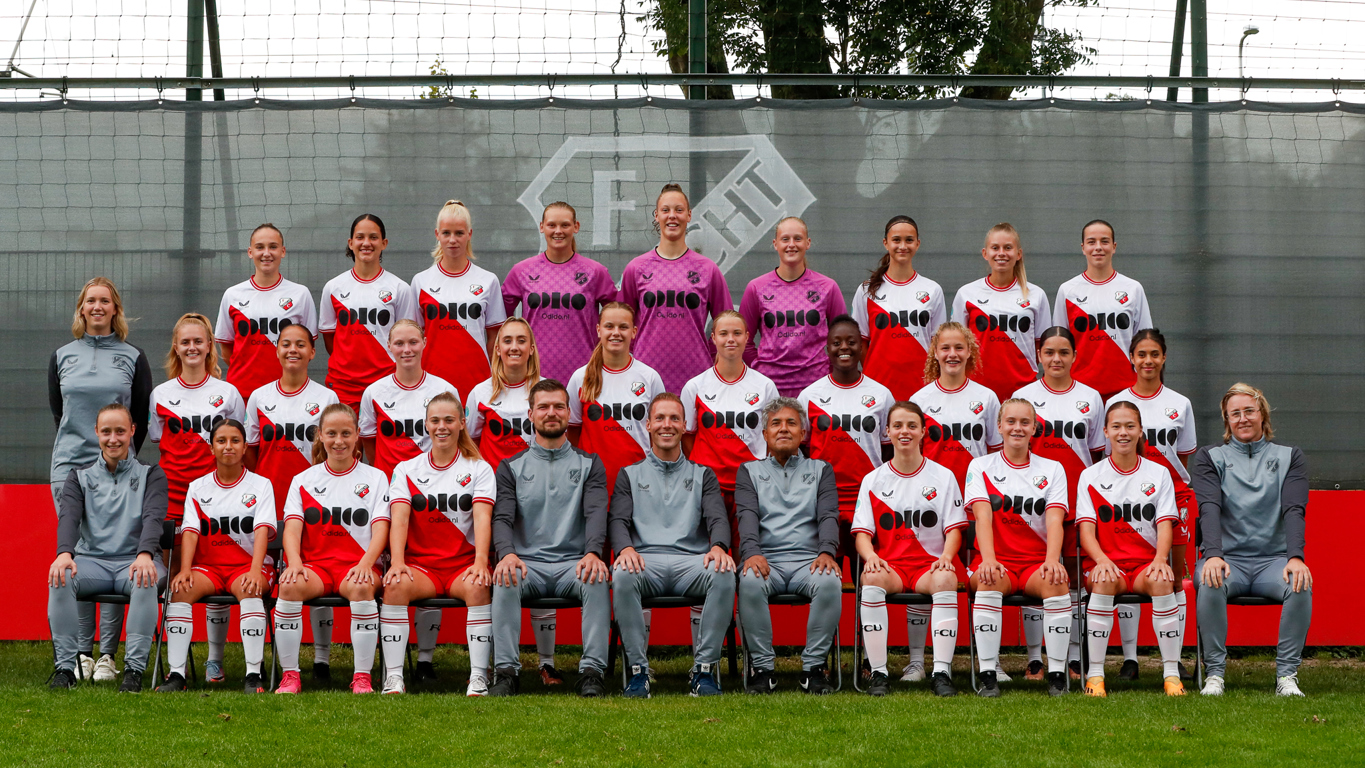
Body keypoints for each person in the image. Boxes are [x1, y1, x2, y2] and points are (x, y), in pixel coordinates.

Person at [49, 277, 153, 682]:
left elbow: (140, 416)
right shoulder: (61, 355)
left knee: (116, 550)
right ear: (81, 309)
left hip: (119, 468)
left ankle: (108, 655)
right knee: (76, 552)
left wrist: (118, 452)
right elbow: (61, 414)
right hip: (70, 468)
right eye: (90, 301)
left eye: (104, 301)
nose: (96, 307)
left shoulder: (132, 355)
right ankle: (80, 653)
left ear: (115, 309)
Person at [488, 379, 611, 698]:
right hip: (528, 567)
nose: (551, 413)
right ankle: (506, 673)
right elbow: (501, 517)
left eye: (558, 406)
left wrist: (593, 552)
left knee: (596, 577)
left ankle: (592, 673)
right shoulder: (510, 467)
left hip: (574, 565)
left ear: (569, 412)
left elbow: (597, 512)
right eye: (543, 407)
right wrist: (506, 554)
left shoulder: (590, 463)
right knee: (504, 576)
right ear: (530, 413)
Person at [611, 394, 736, 698]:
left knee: (723, 574)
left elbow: (719, 518)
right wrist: (625, 549)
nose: (667, 425)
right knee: (622, 574)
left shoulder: (702, 474)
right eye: (661, 418)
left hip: (691, 562)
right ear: (648, 425)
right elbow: (617, 521)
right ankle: (639, 673)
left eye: (674, 418)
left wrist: (719, 546)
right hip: (644, 562)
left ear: (684, 426)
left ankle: (703, 672)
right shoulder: (629, 474)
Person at [1192, 383, 1312, 697]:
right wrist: (1214, 554)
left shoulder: (1290, 457)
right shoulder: (1209, 457)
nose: (1243, 418)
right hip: (1227, 560)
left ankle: (1287, 676)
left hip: (1273, 561)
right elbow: (1209, 508)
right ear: (1226, 420)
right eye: (1235, 413)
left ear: (1262, 414)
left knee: (1299, 583)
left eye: (1249, 411)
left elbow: (1294, 509)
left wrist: (1295, 557)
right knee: (1210, 578)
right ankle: (1215, 675)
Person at [465, 317, 564, 685]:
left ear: (532, 348)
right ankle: (498, 662)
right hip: (496, 498)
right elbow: (471, 445)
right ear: (498, 348)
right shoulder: (480, 393)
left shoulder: (543, 390)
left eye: (522, 340)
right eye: (507, 340)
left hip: (540, 495)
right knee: (498, 577)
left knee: (536, 568)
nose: (514, 347)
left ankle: (547, 663)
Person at [149, 312, 246, 683]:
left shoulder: (228, 394)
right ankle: (176, 661)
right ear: (176, 346)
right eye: (185, 341)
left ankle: (215, 659)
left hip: (218, 498)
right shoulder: (162, 394)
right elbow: (163, 442)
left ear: (210, 346)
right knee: (180, 580)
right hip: (174, 497)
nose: (192, 347)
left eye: (198, 341)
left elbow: (234, 443)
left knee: (217, 571)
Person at [379, 392, 496, 696]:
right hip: (422, 568)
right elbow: (400, 519)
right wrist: (398, 562)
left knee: (479, 586)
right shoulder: (407, 469)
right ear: (426, 425)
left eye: (448, 420)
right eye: (435, 420)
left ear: (461, 423)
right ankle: (394, 678)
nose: (441, 426)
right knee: (394, 586)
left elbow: (483, 519)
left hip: (462, 566)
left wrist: (481, 562)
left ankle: (478, 677)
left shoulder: (479, 468)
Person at [906, 321, 1002, 683]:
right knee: (926, 573)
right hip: (933, 505)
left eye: (959, 348)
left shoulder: (987, 397)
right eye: (945, 348)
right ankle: (917, 661)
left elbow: (995, 455)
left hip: (977, 506)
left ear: (970, 352)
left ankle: (987, 662)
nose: (952, 354)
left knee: (982, 580)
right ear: (934, 352)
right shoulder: (921, 399)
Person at [244, 323, 340, 681]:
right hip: (270, 501)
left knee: (311, 570)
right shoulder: (258, 397)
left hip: (313, 502)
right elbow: (251, 455)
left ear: (313, 352)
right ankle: (275, 662)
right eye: (286, 344)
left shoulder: (326, 397)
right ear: (277, 350)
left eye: (301, 344)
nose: (293, 350)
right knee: (275, 579)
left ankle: (322, 659)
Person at [47, 404, 167, 692]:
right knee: (61, 576)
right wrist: (64, 553)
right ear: (96, 434)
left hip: (135, 561)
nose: (113, 439)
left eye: (120, 431)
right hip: (93, 564)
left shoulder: (152, 474)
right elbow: (69, 517)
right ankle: (66, 669)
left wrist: (144, 555)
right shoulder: (79, 476)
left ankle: (133, 671)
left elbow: (153, 517)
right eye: (106, 432)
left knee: (145, 577)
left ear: (132, 432)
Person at [273, 404, 392, 694]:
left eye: (346, 433)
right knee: (288, 587)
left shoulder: (376, 478)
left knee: (363, 589)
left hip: (359, 565)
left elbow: (381, 529)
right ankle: (290, 676)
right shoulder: (303, 480)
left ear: (357, 435)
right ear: (320, 437)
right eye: (332, 434)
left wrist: (366, 564)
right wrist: (294, 562)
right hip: (317, 567)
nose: (339, 441)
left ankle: (362, 677)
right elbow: (292, 529)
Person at [854, 401, 967, 698]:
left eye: (912, 426)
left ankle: (941, 671)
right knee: (872, 579)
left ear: (923, 432)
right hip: (891, 566)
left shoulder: (943, 476)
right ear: (888, 431)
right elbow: (863, 534)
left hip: (927, 566)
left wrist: (946, 557)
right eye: (899, 426)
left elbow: (953, 529)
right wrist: (871, 557)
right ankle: (879, 673)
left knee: (945, 579)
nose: (905, 431)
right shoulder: (873, 479)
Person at [1011, 326, 1105, 681]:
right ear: (1039, 355)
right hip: (1035, 501)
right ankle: (1036, 659)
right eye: (1049, 352)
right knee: (1042, 572)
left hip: (1079, 501)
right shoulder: (1024, 396)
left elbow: (1097, 455)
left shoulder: (1092, 397)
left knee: (1076, 579)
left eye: (1063, 352)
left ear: (1074, 357)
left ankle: (1076, 657)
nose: (1056, 359)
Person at [155, 419, 275, 694]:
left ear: (245, 447)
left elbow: (261, 531)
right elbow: (191, 532)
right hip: (210, 567)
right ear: (211, 448)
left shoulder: (261, 485)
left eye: (235, 440)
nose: (228, 446)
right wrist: (184, 569)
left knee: (250, 589)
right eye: (221, 441)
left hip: (246, 566)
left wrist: (256, 570)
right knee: (181, 591)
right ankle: (176, 675)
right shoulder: (198, 487)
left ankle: (253, 675)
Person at [1076, 402, 1184, 697]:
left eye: (1130, 426)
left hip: (1143, 566)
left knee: (1163, 579)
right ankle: (1095, 675)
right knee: (1103, 579)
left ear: (1140, 432)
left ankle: (1172, 674)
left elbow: (1165, 524)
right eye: (1116, 427)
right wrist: (1101, 559)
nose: (1123, 433)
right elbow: (1086, 532)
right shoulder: (1090, 476)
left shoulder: (1159, 473)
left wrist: (1161, 559)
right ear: (1106, 432)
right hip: (1108, 564)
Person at [965, 398, 1071, 697]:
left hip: (1035, 563)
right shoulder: (980, 466)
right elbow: (982, 517)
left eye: (1025, 422)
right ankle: (988, 673)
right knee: (988, 579)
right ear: (999, 426)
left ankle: (1056, 675)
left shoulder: (1053, 469)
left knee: (1057, 579)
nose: (1017, 428)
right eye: (1010, 421)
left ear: (1035, 428)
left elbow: (1055, 519)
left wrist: (1052, 560)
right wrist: (987, 560)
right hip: (998, 562)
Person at [735, 398, 841, 695]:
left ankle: (814, 669)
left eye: (791, 423)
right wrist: (752, 553)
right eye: (776, 424)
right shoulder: (749, 471)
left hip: (810, 560)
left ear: (803, 433)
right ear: (765, 434)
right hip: (767, 560)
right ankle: (763, 669)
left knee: (830, 581)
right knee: (749, 580)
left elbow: (829, 515)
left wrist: (826, 552)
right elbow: (746, 516)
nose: (784, 429)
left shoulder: (821, 469)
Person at [1105, 328, 1196, 673]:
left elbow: (1183, 458)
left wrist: (1169, 489)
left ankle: (1174, 657)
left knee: (1172, 575)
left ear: (1164, 358)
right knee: (1129, 566)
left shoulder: (1179, 403)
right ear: (1131, 358)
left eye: (1154, 354)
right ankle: (1130, 658)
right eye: (1141, 354)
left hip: (1172, 495)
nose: (1148, 361)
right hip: (1129, 500)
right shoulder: (1115, 402)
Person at [617, 184, 733, 394]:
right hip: (644, 377)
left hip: (696, 376)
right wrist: (638, 353)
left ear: (689, 215)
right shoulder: (636, 268)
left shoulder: (708, 269)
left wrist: (710, 357)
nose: (672, 216)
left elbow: (727, 324)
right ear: (656, 215)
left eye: (679, 210)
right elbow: (621, 323)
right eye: (666, 210)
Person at [796, 314, 892, 562]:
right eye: (837, 343)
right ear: (827, 349)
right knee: (829, 575)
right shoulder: (809, 396)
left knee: (866, 577)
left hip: (866, 498)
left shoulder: (881, 395)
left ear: (861, 346)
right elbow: (804, 450)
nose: (844, 348)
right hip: (825, 499)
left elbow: (888, 452)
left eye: (851, 341)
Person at [501, 202, 616, 383]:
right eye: (552, 225)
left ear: (576, 227)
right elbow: (499, 319)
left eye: (565, 225)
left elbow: (618, 317)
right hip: (531, 373)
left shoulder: (595, 272)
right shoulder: (521, 271)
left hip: (584, 373)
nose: (558, 231)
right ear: (541, 227)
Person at [680, 310, 780, 515]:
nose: (730, 339)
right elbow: (687, 438)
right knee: (712, 547)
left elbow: (774, 440)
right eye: (724, 333)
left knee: (746, 546)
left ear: (747, 336)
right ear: (714, 337)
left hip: (750, 485)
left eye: (737, 333)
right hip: (707, 487)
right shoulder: (694, 386)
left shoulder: (765, 386)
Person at [318, 213, 420, 412]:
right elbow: (330, 339)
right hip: (344, 386)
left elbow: (407, 339)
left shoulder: (400, 288)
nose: (366, 243)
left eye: (373, 237)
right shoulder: (333, 288)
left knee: (384, 443)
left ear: (384, 243)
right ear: (350, 243)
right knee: (345, 443)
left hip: (387, 384)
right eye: (360, 237)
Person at [739, 217, 848, 397]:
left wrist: (825, 371)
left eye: (797, 238)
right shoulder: (756, 288)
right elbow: (743, 340)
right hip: (770, 387)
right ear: (775, 244)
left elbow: (843, 338)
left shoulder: (827, 287)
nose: (791, 244)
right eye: (785, 239)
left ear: (808, 243)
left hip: (816, 386)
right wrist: (760, 371)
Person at [411, 200, 506, 401]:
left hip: (477, 383)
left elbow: (494, 338)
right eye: (446, 233)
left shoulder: (488, 281)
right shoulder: (420, 281)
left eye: (459, 233)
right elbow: (413, 338)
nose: (452, 239)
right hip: (431, 384)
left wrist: (493, 379)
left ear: (469, 234)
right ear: (437, 234)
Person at [566, 302, 665, 494]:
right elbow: (572, 432)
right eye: (609, 326)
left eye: (623, 327)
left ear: (634, 332)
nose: (616, 333)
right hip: (593, 484)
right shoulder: (580, 377)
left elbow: (659, 433)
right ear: (598, 330)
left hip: (639, 483)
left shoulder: (650, 377)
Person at [213, 223, 319, 402]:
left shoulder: (300, 294)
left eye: (273, 247)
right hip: (242, 393)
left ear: (283, 251)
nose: (267, 253)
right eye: (260, 247)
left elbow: (307, 348)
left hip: (288, 393)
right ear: (250, 252)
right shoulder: (232, 295)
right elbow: (226, 351)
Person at [1052, 220, 1153, 402]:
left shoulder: (1133, 289)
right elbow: (1058, 345)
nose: (1098, 247)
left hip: (1126, 390)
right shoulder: (1067, 291)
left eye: (1104, 241)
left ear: (1114, 247)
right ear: (1083, 248)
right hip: (1079, 392)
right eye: (1091, 242)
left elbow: (1146, 343)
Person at [950, 223, 1051, 404]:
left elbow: (1042, 347)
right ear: (985, 253)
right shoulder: (966, 294)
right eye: (995, 248)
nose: (1001, 253)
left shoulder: (1036, 295)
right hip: (976, 390)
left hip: (1023, 390)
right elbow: (955, 345)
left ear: (1019, 254)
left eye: (1008, 248)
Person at [852, 215, 947, 402]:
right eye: (896, 240)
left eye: (909, 240)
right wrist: (875, 374)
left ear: (918, 244)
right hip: (878, 389)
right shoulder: (866, 290)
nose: (903, 246)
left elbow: (938, 342)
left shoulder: (932, 290)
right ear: (885, 243)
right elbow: (860, 342)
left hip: (921, 388)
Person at [358, 319, 459, 477]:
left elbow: (455, 440)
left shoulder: (445, 390)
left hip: (433, 481)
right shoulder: (373, 393)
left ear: (424, 343)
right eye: (399, 343)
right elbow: (369, 445)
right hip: (389, 484)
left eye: (413, 342)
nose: (407, 349)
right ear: (389, 345)